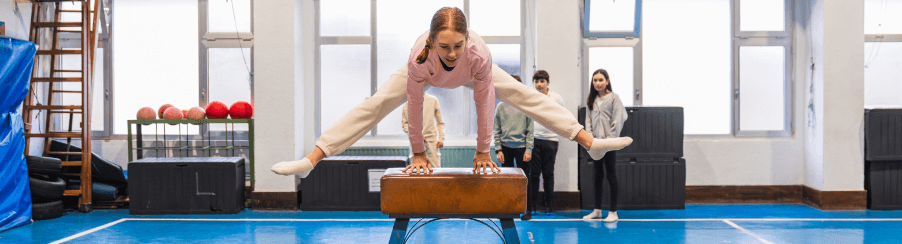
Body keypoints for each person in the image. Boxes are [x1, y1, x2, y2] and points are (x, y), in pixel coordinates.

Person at [271, 7, 632, 178]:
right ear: (432, 41)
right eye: (445, 46)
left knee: (524, 94)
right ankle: (313, 158)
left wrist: (481, 151)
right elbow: (415, 107)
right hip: (421, 77)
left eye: (458, 45)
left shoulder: (478, 56)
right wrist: (417, 153)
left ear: (466, 40)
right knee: (376, 103)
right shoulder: (420, 59)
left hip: (477, 78)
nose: (452, 53)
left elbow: (484, 100)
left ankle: (588, 140)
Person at [581, 69, 628, 223]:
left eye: (601, 80)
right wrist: (591, 140)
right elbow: (588, 120)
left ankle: (613, 211)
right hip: (595, 144)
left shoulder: (614, 98)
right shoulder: (591, 99)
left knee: (611, 175)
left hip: (609, 143)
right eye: (595, 80)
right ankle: (597, 210)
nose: (598, 83)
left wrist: (609, 140)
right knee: (597, 175)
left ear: (607, 81)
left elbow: (619, 119)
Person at [529, 70, 563, 216]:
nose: (539, 84)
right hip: (534, 139)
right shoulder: (530, 97)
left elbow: (562, 117)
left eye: (542, 81)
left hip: (551, 139)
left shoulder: (556, 98)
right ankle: (533, 205)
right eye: (536, 81)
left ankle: (549, 205)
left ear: (547, 83)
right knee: (534, 174)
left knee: (548, 173)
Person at [401, 94, 445, 168]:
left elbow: (440, 123)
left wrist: (441, 138)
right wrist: (416, 136)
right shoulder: (408, 103)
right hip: (415, 143)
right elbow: (405, 124)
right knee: (417, 171)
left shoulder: (433, 100)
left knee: (435, 170)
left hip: (432, 142)